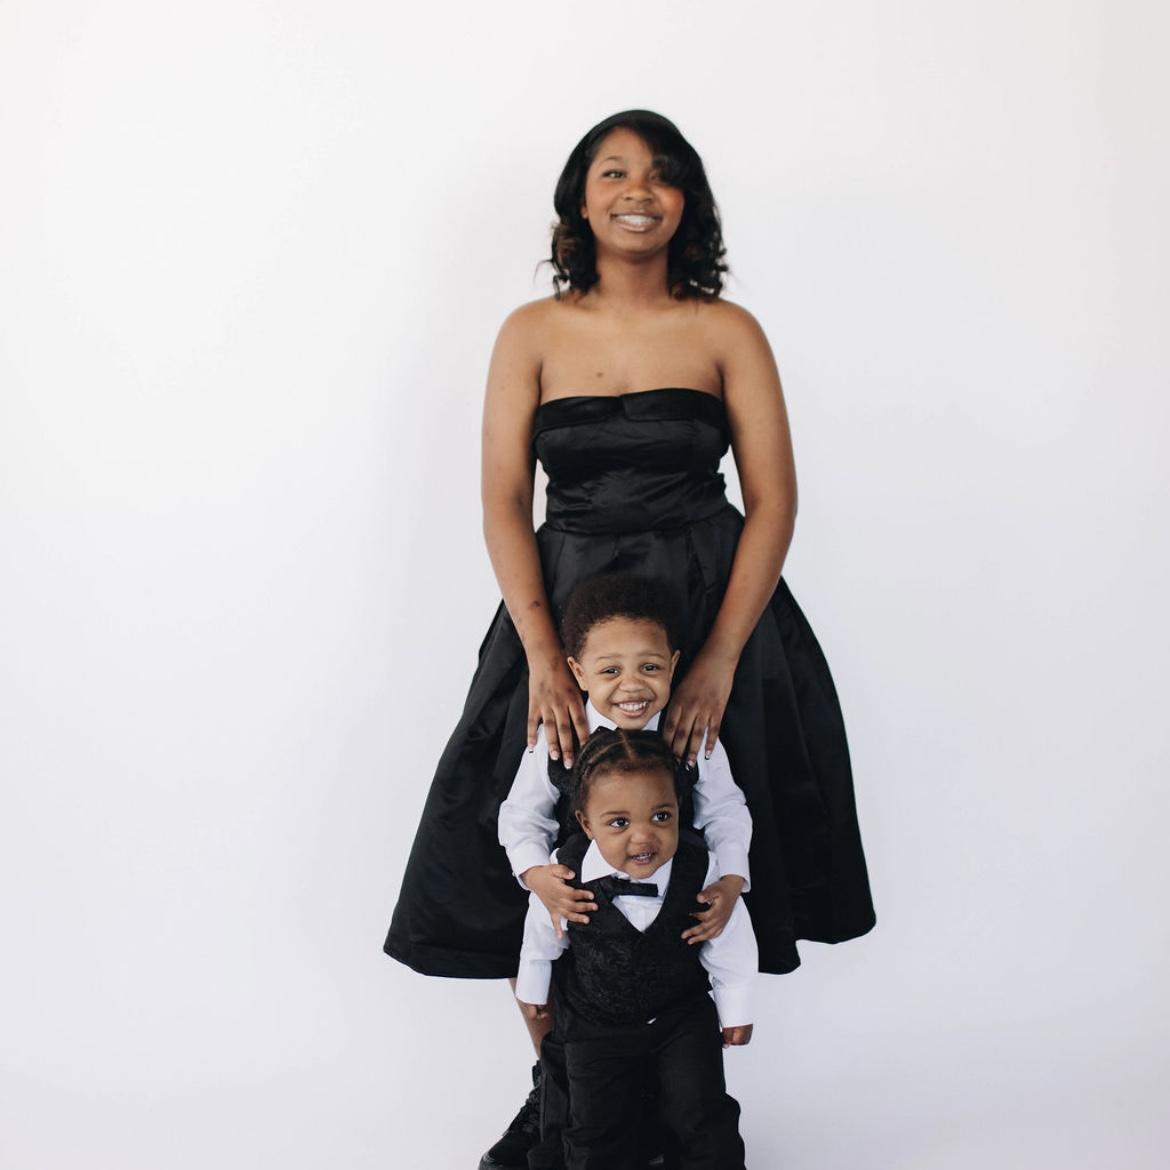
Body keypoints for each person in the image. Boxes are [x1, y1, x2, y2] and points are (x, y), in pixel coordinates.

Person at [382, 108, 876, 1169]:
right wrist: (542, 657)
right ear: (580, 199)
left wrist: (719, 659)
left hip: (707, 610)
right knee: (554, 842)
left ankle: (680, 1097)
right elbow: (503, 502)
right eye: (613, 173)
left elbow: (775, 502)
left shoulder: (727, 331)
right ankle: (565, 1096)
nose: (637, 191)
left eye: (660, 173)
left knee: (696, 838)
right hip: (563, 617)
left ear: (687, 199)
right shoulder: (530, 331)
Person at [516, 728, 756, 1170]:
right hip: (595, 1022)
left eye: (661, 816)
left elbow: (729, 937)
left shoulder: (701, 868)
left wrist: (735, 1006)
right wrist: (533, 984)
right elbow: (541, 933)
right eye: (619, 823)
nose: (644, 838)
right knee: (595, 1128)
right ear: (586, 823)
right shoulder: (565, 874)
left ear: (679, 808)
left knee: (701, 1113)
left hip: (680, 1017)